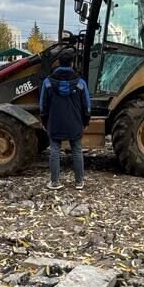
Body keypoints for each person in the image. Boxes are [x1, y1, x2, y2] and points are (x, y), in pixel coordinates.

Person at [39, 50, 90, 191]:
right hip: (75, 122)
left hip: (55, 122)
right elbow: (87, 105)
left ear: (58, 63)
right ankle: (79, 182)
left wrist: (44, 121)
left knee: (55, 150)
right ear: (72, 63)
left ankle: (54, 182)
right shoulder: (80, 83)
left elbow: (43, 105)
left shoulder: (48, 82)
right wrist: (85, 122)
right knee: (77, 151)